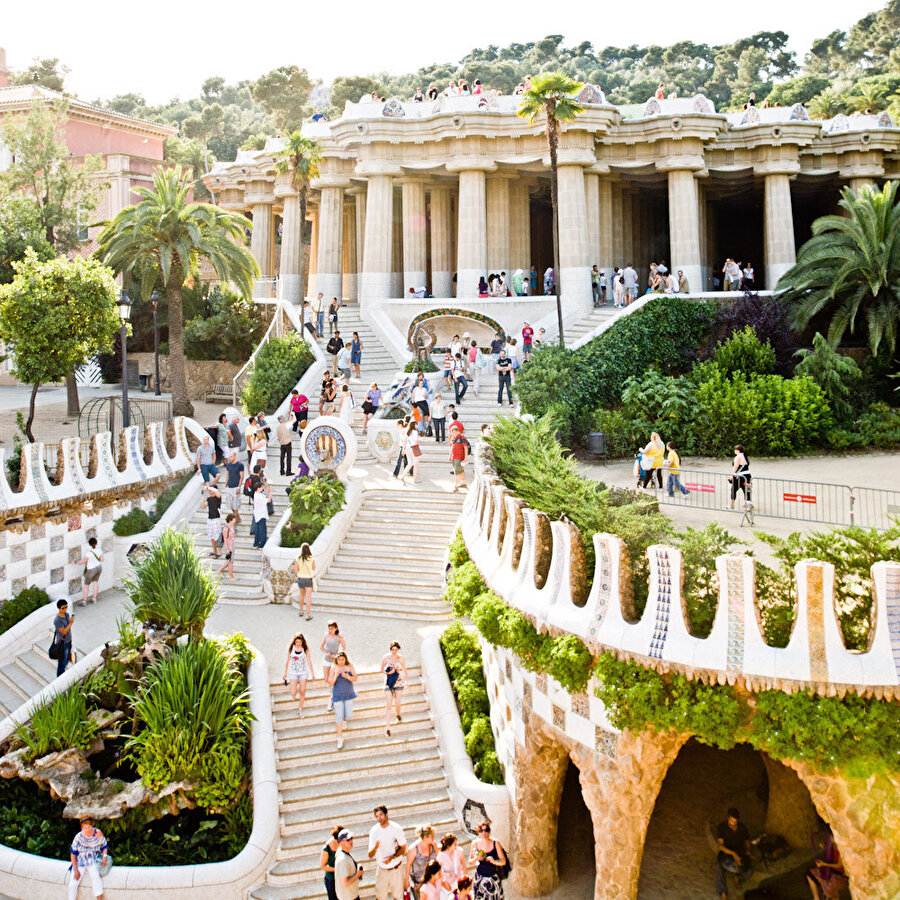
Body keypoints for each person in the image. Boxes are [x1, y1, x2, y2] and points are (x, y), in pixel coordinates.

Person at [368, 806, 408, 900]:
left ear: (386, 814)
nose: (379, 818)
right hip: (382, 870)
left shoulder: (396, 828)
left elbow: (403, 848)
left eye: (381, 815)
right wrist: (375, 847)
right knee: (380, 897)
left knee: (398, 897)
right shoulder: (374, 831)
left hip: (396, 869)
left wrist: (392, 857)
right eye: (377, 816)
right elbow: (370, 854)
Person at [68, 816, 108, 900]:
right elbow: (73, 854)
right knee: (73, 883)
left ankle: (99, 898)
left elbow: (104, 846)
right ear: (82, 828)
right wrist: (75, 869)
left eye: (89, 827)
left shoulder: (98, 833)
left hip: (93, 859)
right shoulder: (78, 837)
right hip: (81, 861)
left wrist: (104, 857)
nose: (88, 829)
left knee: (96, 877)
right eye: (85, 827)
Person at [715, 807, 752, 899]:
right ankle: (723, 893)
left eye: (735, 822)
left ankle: (738, 878)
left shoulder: (742, 827)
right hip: (726, 852)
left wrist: (748, 850)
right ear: (728, 818)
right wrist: (733, 854)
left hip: (739, 850)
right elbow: (721, 846)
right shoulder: (722, 827)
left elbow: (747, 840)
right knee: (718, 867)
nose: (733, 823)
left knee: (750, 870)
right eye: (731, 821)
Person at [469, 821, 507, 900]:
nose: (484, 833)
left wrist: (494, 861)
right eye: (481, 831)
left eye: (486, 830)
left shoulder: (495, 843)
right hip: (480, 878)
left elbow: (503, 861)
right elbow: (470, 862)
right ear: (478, 833)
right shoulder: (475, 844)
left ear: (489, 832)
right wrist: (477, 858)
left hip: (493, 878)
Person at [807, 829, 848, 900]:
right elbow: (829, 855)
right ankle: (816, 898)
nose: (829, 839)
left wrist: (824, 864)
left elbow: (839, 865)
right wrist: (824, 847)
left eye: (831, 837)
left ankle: (832, 897)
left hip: (839, 875)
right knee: (810, 874)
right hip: (830, 871)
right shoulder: (832, 845)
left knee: (828, 888)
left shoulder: (841, 848)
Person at [329, 651, 358, 750]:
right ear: (336, 660)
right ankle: (339, 738)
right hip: (337, 695)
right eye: (339, 660)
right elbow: (330, 682)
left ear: (345, 659)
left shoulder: (349, 666)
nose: (341, 661)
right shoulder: (334, 668)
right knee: (339, 717)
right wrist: (336, 675)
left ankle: (344, 718)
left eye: (342, 659)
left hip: (349, 694)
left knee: (348, 716)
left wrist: (348, 677)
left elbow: (355, 678)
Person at [381, 641, 409, 736]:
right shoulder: (386, 657)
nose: (394, 651)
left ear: (398, 650)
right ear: (390, 649)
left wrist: (407, 681)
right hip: (388, 682)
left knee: (397, 703)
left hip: (398, 681)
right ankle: (387, 727)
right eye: (392, 649)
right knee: (389, 705)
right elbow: (381, 670)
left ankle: (398, 714)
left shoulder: (400, 658)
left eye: (396, 650)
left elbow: (404, 669)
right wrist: (389, 672)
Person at [283, 633, 315, 715]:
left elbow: (309, 661)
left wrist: (312, 673)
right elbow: (287, 661)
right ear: (294, 642)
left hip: (303, 672)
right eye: (297, 642)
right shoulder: (291, 649)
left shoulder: (305, 649)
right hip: (293, 672)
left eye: (300, 642)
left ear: (302, 642)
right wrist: (285, 674)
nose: (298, 643)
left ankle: (300, 709)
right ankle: (293, 696)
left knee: (302, 691)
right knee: (293, 692)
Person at [407, 826, 437, 899]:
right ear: (425, 837)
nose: (433, 838)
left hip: (431, 880)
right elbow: (408, 865)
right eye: (431, 836)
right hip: (418, 882)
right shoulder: (413, 849)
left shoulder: (433, 845)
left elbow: (438, 859)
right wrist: (406, 881)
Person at [334, 828, 363, 900]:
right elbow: (344, 883)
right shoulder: (343, 859)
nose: (351, 841)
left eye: (351, 838)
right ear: (341, 842)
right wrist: (358, 875)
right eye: (348, 840)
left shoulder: (342, 852)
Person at [437, 833, 467, 899]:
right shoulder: (441, 855)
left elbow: (464, 867)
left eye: (457, 843)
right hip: (447, 885)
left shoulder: (460, 851)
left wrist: (465, 882)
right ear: (448, 846)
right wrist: (444, 883)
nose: (457, 846)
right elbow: (437, 872)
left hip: (458, 883)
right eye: (454, 844)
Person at [320, 620, 346, 693]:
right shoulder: (326, 635)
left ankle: (332, 691)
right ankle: (334, 686)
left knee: (331, 675)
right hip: (326, 659)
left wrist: (337, 656)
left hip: (334, 660)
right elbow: (321, 646)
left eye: (332, 629)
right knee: (326, 679)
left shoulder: (339, 636)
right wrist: (325, 653)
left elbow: (344, 648)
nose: (330, 630)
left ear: (336, 628)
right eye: (329, 629)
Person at [76, 536, 103, 605]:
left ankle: (84, 601)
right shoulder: (99, 550)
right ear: (96, 543)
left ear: (89, 544)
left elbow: (83, 562)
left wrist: (75, 563)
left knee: (86, 585)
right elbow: (102, 559)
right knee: (95, 582)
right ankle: (94, 599)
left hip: (91, 570)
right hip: (99, 568)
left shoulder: (88, 553)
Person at [321, 824, 345, 900]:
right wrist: (336, 869)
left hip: (342, 876)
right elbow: (323, 866)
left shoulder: (343, 843)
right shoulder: (326, 848)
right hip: (331, 879)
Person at [53, 599, 75, 678]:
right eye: (63, 608)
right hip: (62, 644)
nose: (65, 609)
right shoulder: (57, 620)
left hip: (68, 641)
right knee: (62, 663)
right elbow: (64, 632)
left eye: (66, 607)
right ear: (59, 608)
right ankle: (59, 678)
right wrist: (71, 623)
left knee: (65, 661)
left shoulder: (66, 615)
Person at [294, 542, 316, 620]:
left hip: (300, 578)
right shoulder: (311, 558)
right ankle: (308, 615)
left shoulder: (298, 558)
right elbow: (313, 568)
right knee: (308, 597)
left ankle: (300, 611)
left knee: (301, 595)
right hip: (309, 579)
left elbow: (295, 570)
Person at [201, 483, 224, 557]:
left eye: (211, 490)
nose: (209, 491)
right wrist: (202, 498)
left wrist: (208, 487)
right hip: (210, 519)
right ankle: (214, 551)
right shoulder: (209, 499)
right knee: (211, 536)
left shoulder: (218, 497)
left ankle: (219, 552)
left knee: (218, 535)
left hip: (216, 519)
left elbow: (217, 492)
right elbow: (203, 506)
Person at [222, 450, 244, 525]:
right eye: (229, 457)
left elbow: (241, 477)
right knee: (230, 505)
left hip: (235, 487)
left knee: (235, 506)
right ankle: (238, 518)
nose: (230, 458)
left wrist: (239, 487)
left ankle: (235, 523)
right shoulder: (228, 465)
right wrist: (225, 485)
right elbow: (227, 474)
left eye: (231, 457)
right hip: (229, 486)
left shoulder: (240, 465)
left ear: (235, 456)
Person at [252, 476, 272, 549]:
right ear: (258, 488)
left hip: (258, 514)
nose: (262, 488)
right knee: (262, 530)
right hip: (261, 515)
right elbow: (268, 500)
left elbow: (265, 494)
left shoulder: (257, 494)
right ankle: (262, 545)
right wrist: (271, 492)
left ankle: (256, 543)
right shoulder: (258, 496)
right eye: (260, 487)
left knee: (257, 530)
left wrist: (267, 489)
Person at [728, 445, 752, 509]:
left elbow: (735, 467)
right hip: (747, 476)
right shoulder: (744, 456)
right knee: (747, 490)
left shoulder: (738, 457)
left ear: (737, 450)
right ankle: (748, 505)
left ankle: (731, 505)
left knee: (733, 489)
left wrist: (731, 475)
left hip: (739, 476)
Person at [449, 424, 468, 493]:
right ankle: (463, 482)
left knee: (456, 471)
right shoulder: (453, 438)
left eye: (453, 432)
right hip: (454, 457)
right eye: (451, 432)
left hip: (459, 457)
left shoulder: (462, 437)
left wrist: (466, 457)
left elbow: (465, 448)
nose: (452, 434)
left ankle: (456, 485)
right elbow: (452, 447)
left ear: (457, 431)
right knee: (460, 470)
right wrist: (450, 456)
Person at [218, 513, 236, 580]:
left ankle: (219, 570)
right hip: (228, 546)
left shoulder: (231, 526)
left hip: (232, 545)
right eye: (234, 519)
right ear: (230, 519)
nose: (235, 520)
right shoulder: (226, 528)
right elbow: (225, 539)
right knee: (230, 562)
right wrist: (227, 549)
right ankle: (231, 576)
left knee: (230, 561)